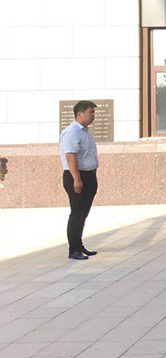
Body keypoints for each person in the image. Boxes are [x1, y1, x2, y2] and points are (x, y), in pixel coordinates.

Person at [59, 100, 100, 261]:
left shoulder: (85, 132)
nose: (93, 115)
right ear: (79, 113)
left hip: (88, 175)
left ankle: (79, 244)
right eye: (91, 112)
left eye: (93, 112)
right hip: (77, 176)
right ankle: (73, 249)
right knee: (77, 213)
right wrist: (77, 179)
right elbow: (70, 157)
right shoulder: (72, 132)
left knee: (83, 213)